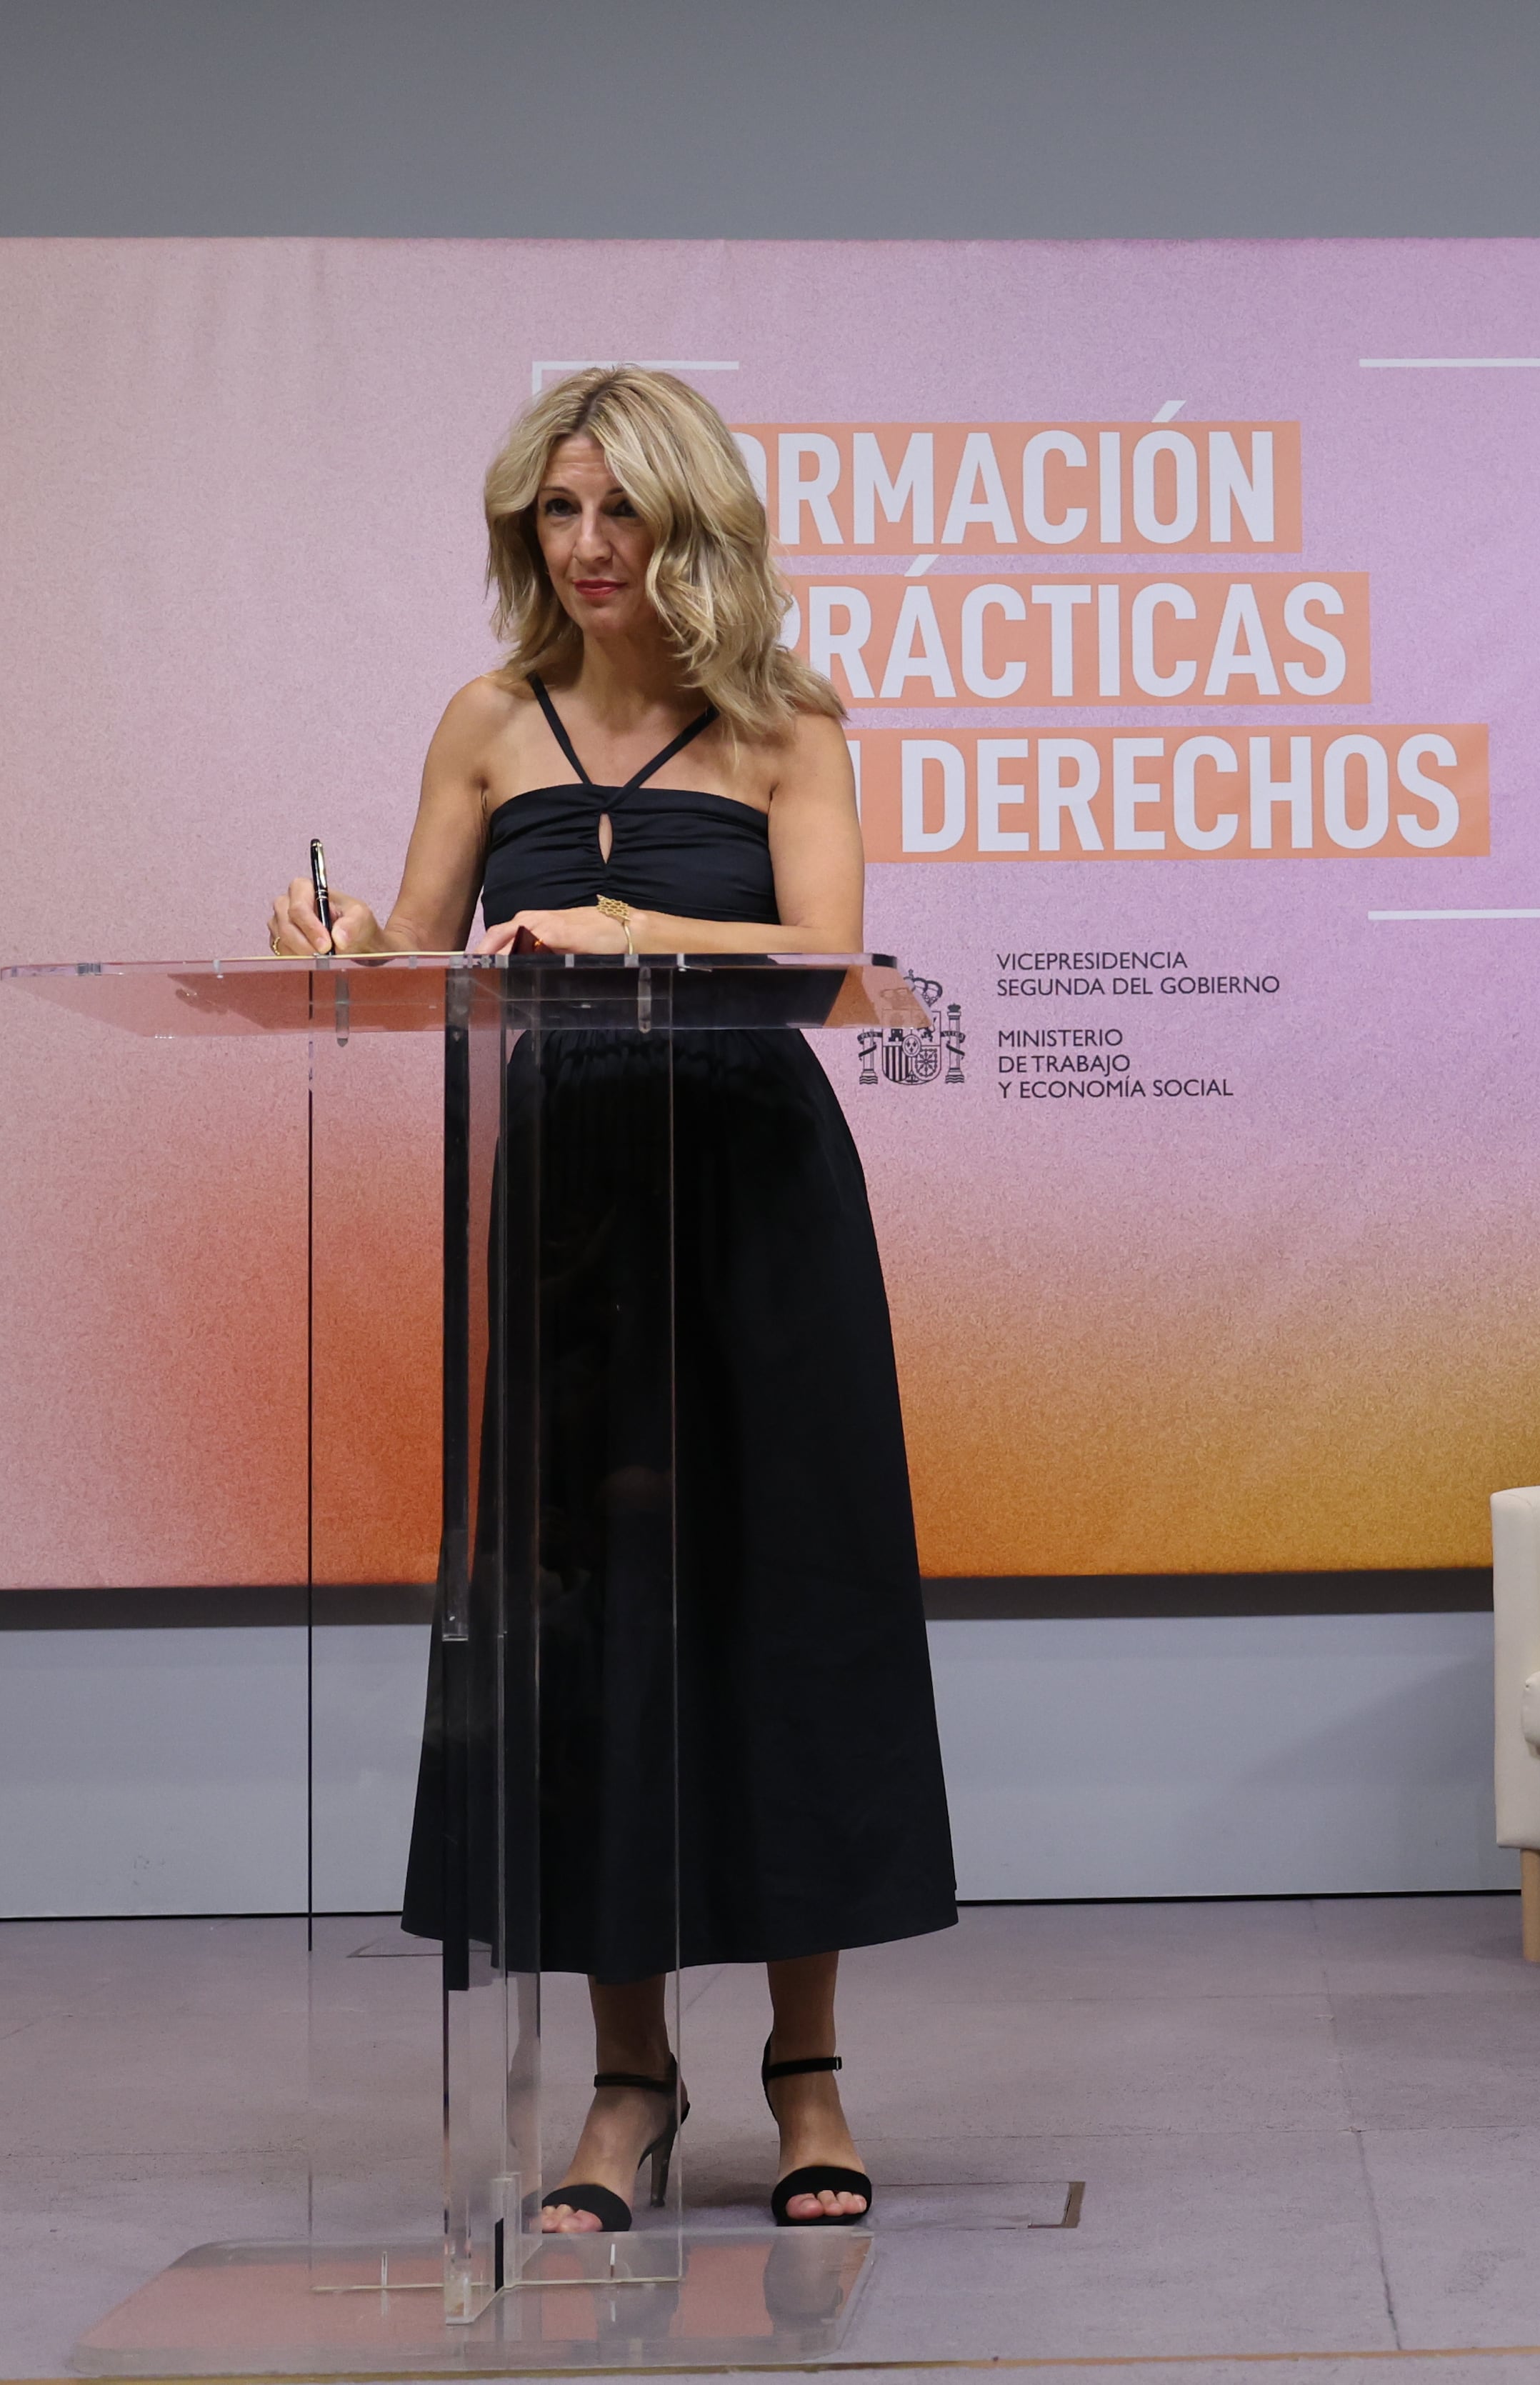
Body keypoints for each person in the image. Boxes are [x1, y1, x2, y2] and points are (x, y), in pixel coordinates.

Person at [267, 365, 956, 2231]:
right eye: (554, 515)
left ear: (692, 527)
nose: (585, 549)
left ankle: (805, 2073)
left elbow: (833, 956)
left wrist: (636, 930)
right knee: (591, 1630)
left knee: (778, 1605)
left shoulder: (788, 719)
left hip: (754, 1192)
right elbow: (416, 954)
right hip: (566, 1202)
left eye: (617, 513)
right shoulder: (486, 722)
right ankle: (627, 2086)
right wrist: (333, 946)